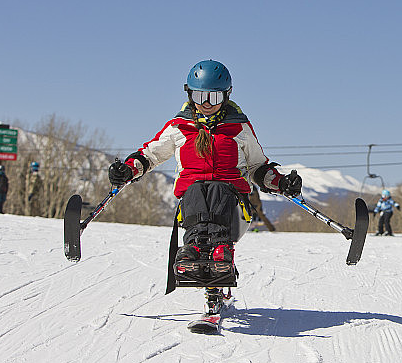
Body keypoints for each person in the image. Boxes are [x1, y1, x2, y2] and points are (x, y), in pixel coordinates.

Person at [107, 59, 302, 314]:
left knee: (218, 187)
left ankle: (221, 249)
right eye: (200, 95)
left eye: (214, 96)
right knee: (196, 187)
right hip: (193, 207)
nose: (206, 103)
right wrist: (128, 170)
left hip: (233, 209)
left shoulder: (238, 128)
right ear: (189, 93)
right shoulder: (179, 127)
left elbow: (257, 167)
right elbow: (151, 154)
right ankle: (193, 249)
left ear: (226, 95)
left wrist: (281, 182)